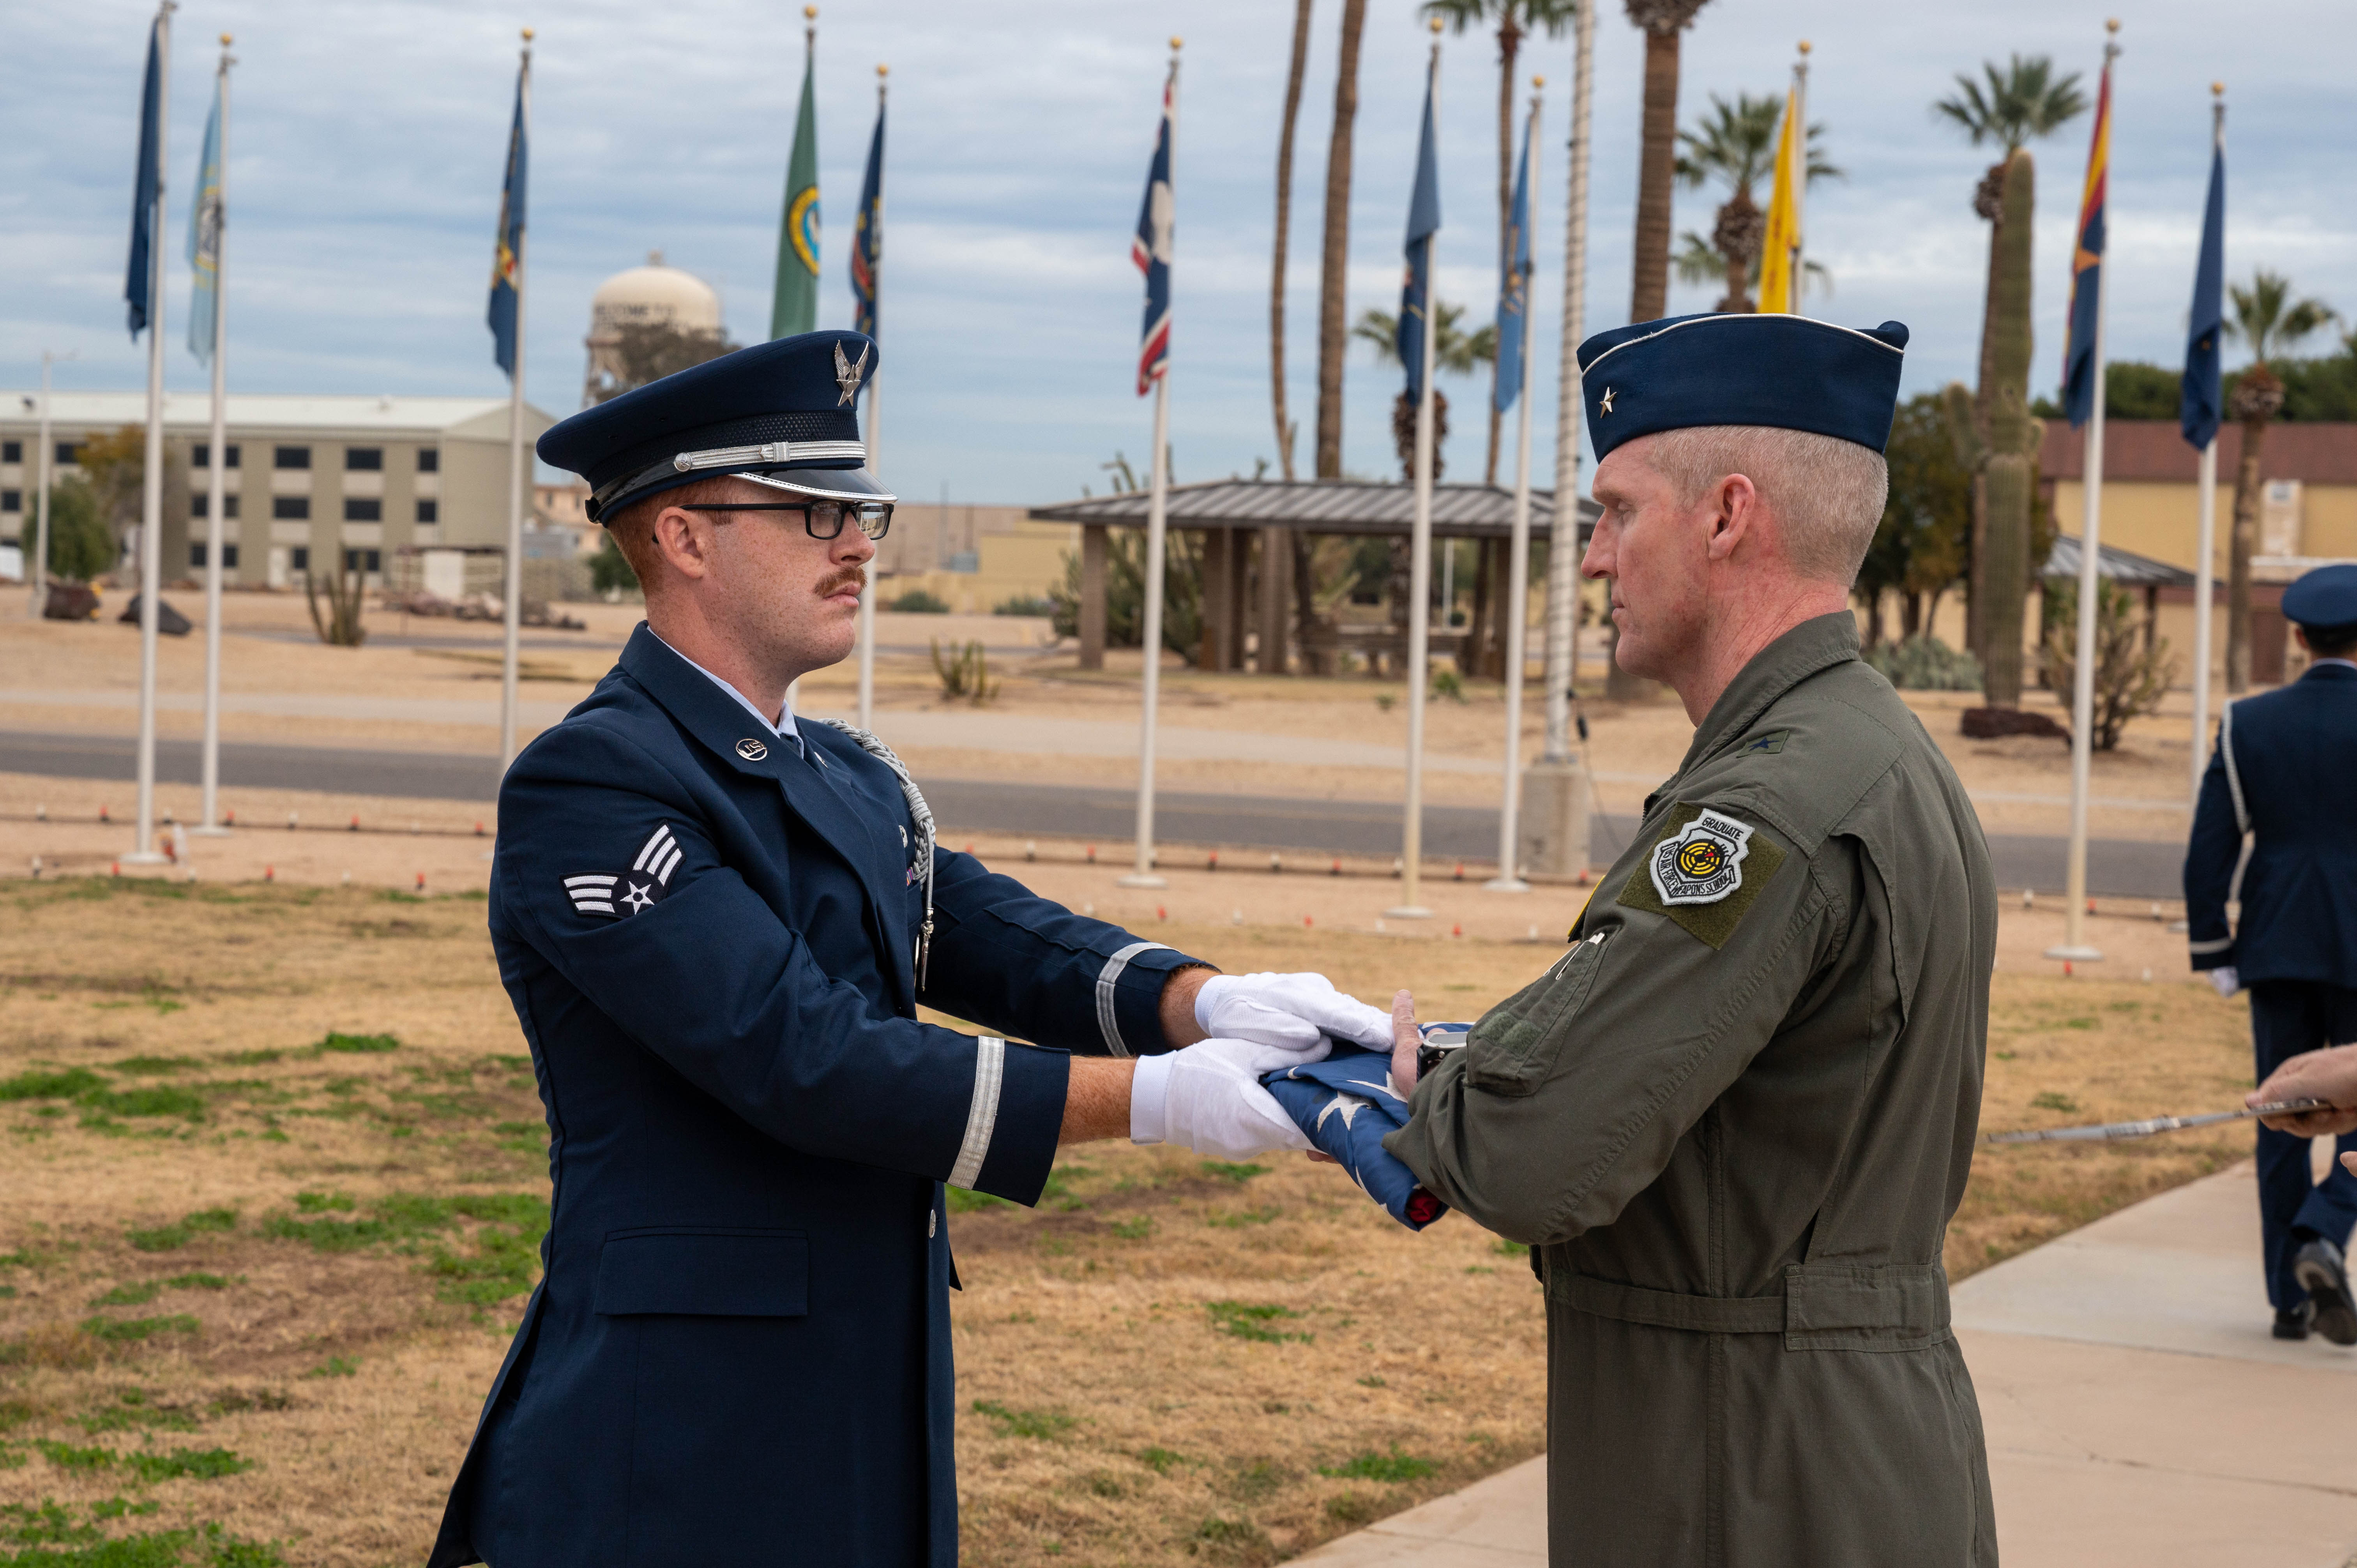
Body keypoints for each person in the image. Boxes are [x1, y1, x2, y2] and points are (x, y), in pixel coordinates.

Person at [425, 330, 1389, 1568]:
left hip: (859, 1399)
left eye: (860, 508)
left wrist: (1211, 1004)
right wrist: (1156, 1101)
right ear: (683, 537)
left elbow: (996, 938)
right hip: (678, 1427)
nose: (859, 542)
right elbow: (801, 1055)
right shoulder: (598, 783)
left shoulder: (842, 771)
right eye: (816, 511)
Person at [1382, 314, 1998, 1567]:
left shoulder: (1767, 807)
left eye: (1616, 513)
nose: (1596, 559)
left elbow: (1533, 1152)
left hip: (1746, 1476)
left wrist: (1427, 1094)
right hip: (1826, 1451)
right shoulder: (1871, 749)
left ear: (1726, 516)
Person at [2189, 562, 2357, 1344]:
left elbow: (2208, 852)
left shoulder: (2249, 722)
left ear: (2297, 635)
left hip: (2277, 937)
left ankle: (2286, 1297)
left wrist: (2214, 946)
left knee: (2282, 1109)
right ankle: (2321, 1232)